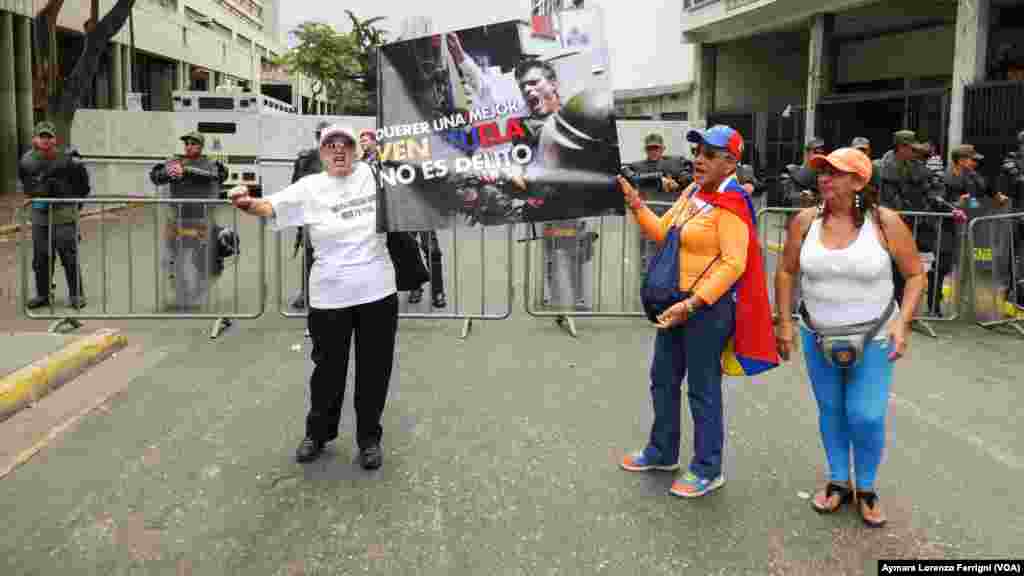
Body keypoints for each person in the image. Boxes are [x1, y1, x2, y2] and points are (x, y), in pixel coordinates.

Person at [618, 124, 777, 498]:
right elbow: (663, 233)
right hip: (676, 302)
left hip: (706, 309)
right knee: (663, 379)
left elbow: (734, 264)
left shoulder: (734, 204)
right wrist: (635, 202)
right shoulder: (693, 193)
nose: (698, 160)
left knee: (702, 389)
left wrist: (693, 303)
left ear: (731, 162)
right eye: (697, 152)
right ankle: (662, 451)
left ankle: (708, 467)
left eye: (708, 154)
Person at [227, 124, 398, 469]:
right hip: (328, 295)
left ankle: (369, 439)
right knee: (327, 371)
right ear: (321, 153)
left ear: (358, 150)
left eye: (346, 145)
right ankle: (318, 434)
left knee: (374, 371)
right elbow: (268, 207)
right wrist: (243, 201)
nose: (339, 151)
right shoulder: (310, 187)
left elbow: (426, 181)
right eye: (330, 145)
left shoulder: (378, 177)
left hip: (377, 291)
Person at [773, 147, 925, 527]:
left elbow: (916, 274)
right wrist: (785, 323)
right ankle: (839, 481)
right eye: (821, 171)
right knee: (832, 410)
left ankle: (867, 488)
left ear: (859, 180)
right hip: (817, 334)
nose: (824, 178)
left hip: (873, 337)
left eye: (834, 173)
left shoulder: (884, 222)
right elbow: (786, 272)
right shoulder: (805, 221)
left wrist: (902, 324)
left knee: (866, 415)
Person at [149, 130, 228, 310]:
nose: (189, 146)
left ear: (201, 146)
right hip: (178, 218)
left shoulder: (210, 163)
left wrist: (186, 170)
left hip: (202, 218)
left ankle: (199, 293)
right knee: (173, 259)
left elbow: (219, 175)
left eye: (193, 143)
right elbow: (156, 176)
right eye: (187, 143)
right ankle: (182, 295)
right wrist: (168, 173)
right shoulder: (174, 161)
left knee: (205, 260)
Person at [19, 121, 88, 309]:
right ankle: (43, 295)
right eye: (42, 137)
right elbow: (26, 184)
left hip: (64, 214)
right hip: (40, 214)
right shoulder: (27, 161)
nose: (45, 140)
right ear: (35, 139)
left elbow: (83, 184)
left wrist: (76, 206)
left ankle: (76, 295)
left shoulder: (68, 159)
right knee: (41, 257)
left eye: (49, 137)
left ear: (55, 139)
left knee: (69, 255)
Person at [290, 121, 329, 313]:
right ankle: (306, 293)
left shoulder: (342, 157)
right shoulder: (305, 159)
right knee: (310, 256)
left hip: (335, 216)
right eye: (319, 134)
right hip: (311, 217)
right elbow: (295, 187)